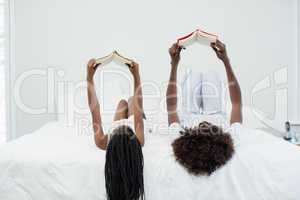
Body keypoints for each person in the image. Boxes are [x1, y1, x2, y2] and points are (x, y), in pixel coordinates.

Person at [166, 40, 242, 175]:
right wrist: (225, 60)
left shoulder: (179, 136)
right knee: (211, 76)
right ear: (217, 139)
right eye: (208, 132)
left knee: (192, 77)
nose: (204, 125)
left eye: (201, 132)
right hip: (215, 112)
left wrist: (174, 64)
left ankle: (193, 77)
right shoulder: (231, 136)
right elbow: (236, 103)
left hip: (190, 112)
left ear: (192, 140)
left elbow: (171, 106)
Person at [86, 59, 145, 200]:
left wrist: (89, 77)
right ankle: (127, 100)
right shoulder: (138, 139)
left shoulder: (103, 141)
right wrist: (136, 76)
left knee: (122, 103)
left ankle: (125, 102)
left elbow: (94, 108)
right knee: (131, 101)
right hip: (133, 121)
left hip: (121, 126)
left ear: (111, 142)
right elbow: (138, 107)